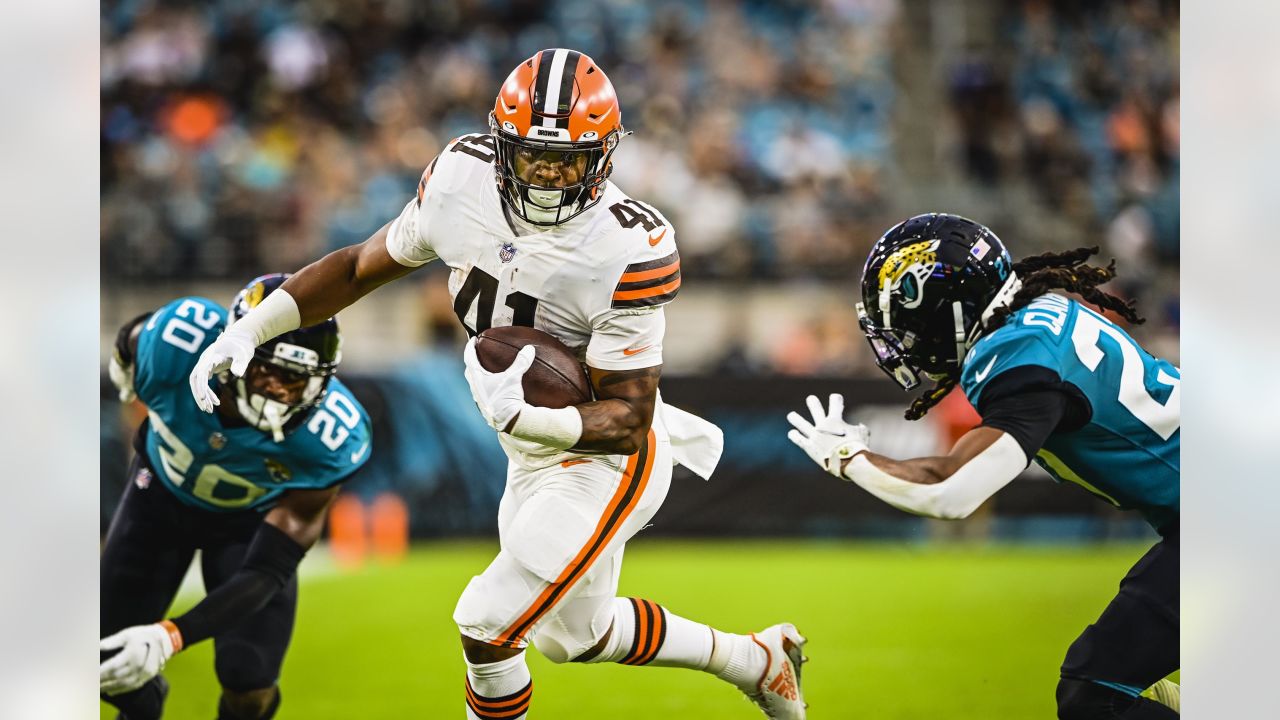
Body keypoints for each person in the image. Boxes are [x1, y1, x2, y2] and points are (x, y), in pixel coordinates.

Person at [186, 49, 807, 719]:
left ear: (603, 155)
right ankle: (756, 661)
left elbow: (628, 417)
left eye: (566, 157)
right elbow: (361, 266)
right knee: (577, 636)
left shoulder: (628, 245)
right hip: (528, 451)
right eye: (532, 153)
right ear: (499, 142)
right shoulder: (461, 180)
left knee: (487, 625)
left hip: (606, 458)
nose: (545, 172)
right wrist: (255, 326)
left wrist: (533, 421)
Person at [786, 213, 1179, 719]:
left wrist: (849, 458)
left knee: (1094, 698)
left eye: (902, 319)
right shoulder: (1042, 309)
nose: (900, 338)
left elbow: (953, 491)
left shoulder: (1016, 352)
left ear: (941, 306)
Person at [100, 273, 372, 720]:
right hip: (158, 500)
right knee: (109, 660)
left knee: (249, 681)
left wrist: (170, 635)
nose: (281, 393)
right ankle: (144, 706)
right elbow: (133, 337)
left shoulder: (330, 435)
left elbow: (269, 569)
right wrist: (123, 363)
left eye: (298, 380)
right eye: (270, 371)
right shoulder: (177, 344)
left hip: (248, 522)